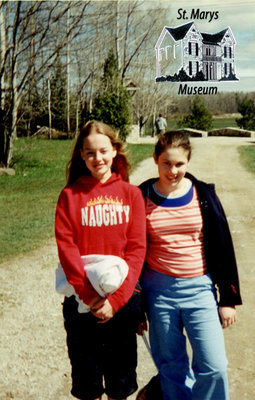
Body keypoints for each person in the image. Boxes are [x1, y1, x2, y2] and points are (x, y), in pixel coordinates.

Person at [138, 131, 242, 400]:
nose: (173, 171)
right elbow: (132, 251)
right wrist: (134, 305)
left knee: (214, 366)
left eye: (179, 164)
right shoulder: (141, 196)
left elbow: (223, 246)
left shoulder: (203, 194)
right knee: (172, 368)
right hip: (158, 291)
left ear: (188, 161)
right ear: (155, 160)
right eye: (166, 163)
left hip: (200, 289)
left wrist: (228, 297)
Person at [55, 120, 147, 400]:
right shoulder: (70, 196)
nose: (98, 158)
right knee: (88, 387)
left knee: (119, 388)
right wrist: (88, 295)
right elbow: (66, 247)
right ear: (81, 155)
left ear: (115, 151)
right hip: (82, 304)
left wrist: (117, 301)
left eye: (104, 151)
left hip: (121, 304)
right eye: (90, 152)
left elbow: (137, 250)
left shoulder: (131, 195)